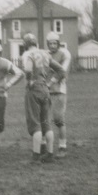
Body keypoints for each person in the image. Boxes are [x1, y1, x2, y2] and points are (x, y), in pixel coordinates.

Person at [20, 33, 66, 163]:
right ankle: (50, 154)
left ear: (25, 45)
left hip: (34, 90)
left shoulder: (28, 54)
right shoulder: (46, 54)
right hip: (45, 90)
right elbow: (61, 71)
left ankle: (36, 157)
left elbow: (28, 70)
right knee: (46, 123)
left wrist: (29, 81)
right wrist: (50, 83)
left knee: (35, 123)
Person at [45, 31, 72, 158]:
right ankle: (44, 145)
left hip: (59, 90)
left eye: (54, 43)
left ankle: (62, 146)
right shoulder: (45, 55)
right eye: (50, 43)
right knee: (44, 119)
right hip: (46, 90)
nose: (52, 46)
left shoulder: (64, 54)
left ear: (58, 43)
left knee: (58, 119)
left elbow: (62, 72)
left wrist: (50, 82)